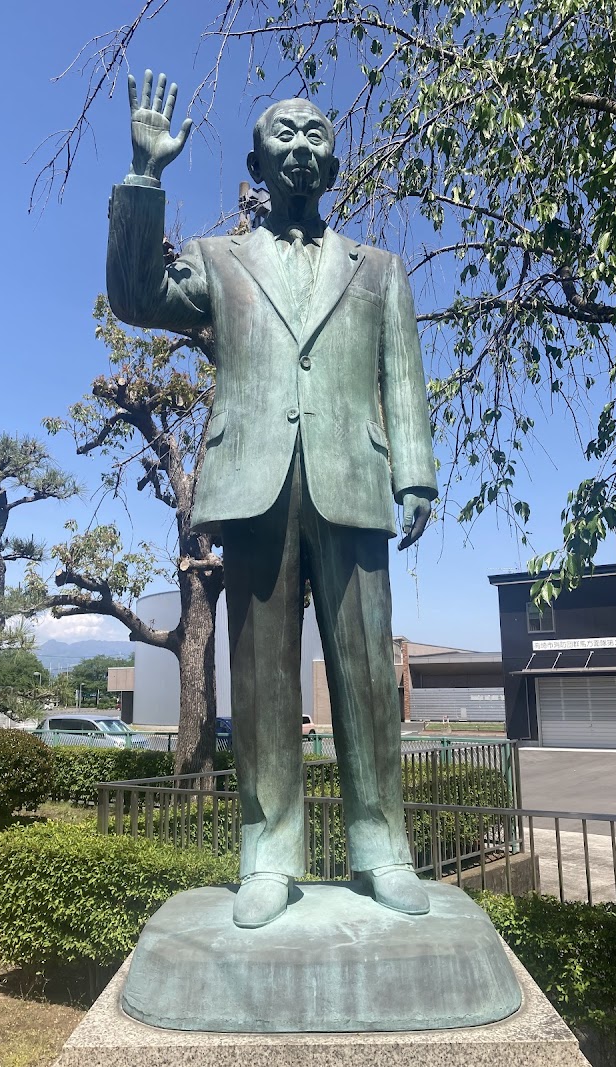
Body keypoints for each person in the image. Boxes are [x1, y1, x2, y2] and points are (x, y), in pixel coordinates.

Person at [107, 71, 438, 929]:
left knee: (366, 676)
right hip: (253, 482)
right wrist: (146, 179)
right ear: (256, 161)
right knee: (258, 678)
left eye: (315, 134)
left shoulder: (380, 269)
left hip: (354, 481)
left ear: (334, 162)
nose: (300, 144)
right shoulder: (220, 258)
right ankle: (268, 854)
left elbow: (400, 372)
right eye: (282, 134)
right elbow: (137, 300)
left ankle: (382, 849)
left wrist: (416, 472)